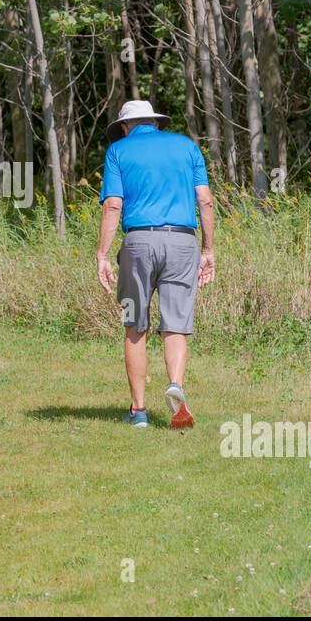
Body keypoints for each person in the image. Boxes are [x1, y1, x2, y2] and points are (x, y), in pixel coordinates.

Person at [95, 100, 215, 427]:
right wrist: (208, 250)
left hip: (139, 242)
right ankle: (175, 386)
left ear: (124, 126)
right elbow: (205, 200)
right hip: (182, 241)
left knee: (135, 323)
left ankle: (139, 412)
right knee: (176, 323)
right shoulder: (187, 147)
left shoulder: (118, 152)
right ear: (155, 122)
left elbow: (113, 206)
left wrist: (103, 255)